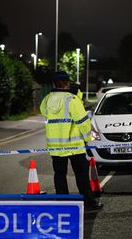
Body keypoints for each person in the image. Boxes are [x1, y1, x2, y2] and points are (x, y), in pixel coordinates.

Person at [40, 71, 102, 210]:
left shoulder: (47, 99)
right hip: (74, 146)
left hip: (56, 147)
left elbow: (43, 111)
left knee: (59, 175)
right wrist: (88, 139)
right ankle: (88, 203)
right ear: (67, 83)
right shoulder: (72, 100)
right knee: (81, 176)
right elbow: (83, 123)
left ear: (53, 84)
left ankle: (63, 204)